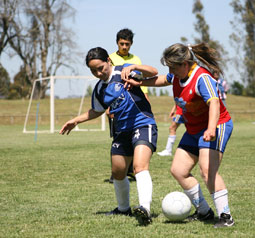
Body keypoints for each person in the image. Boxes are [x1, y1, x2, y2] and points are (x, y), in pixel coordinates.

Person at [122, 43, 235, 228]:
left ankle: (226, 217)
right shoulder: (176, 75)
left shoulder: (201, 78)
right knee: (178, 171)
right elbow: (161, 80)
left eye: (173, 67)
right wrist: (140, 83)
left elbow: (214, 104)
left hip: (216, 126)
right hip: (194, 130)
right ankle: (204, 212)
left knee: (207, 171)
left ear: (184, 63)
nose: (170, 71)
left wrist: (211, 129)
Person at [59, 47, 158, 226]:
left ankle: (145, 209)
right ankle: (123, 209)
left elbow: (154, 72)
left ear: (109, 62)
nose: (98, 73)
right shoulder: (99, 90)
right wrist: (76, 120)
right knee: (118, 172)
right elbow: (96, 110)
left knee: (139, 166)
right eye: (93, 70)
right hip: (121, 132)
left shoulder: (124, 70)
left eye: (100, 68)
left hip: (143, 123)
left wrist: (137, 67)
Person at [108, 28, 149, 183]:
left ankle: (131, 170)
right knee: (117, 137)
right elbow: (107, 84)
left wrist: (145, 97)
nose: (124, 47)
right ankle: (116, 172)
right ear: (117, 43)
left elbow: (141, 81)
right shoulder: (110, 59)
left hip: (134, 103)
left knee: (134, 135)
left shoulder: (136, 60)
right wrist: (108, 106)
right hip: (116, 104)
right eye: (122, 44)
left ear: (131, 44)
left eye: (127, 44)